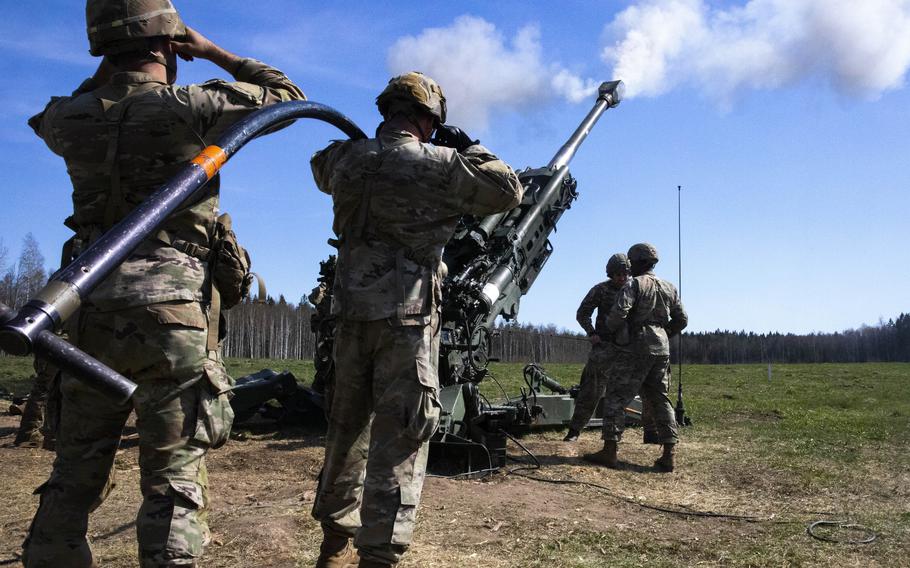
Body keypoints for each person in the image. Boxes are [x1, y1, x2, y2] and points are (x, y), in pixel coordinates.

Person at [22, 1, 305, 566]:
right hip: (172, 310)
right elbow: (290, 101)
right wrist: (215, 53)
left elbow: (54, 113)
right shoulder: (192, 106)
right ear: (168, 44)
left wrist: (112, 65)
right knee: (173, 483)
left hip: (84, 308)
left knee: (75, 470)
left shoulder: (69, 117)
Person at [310, 72, 523, 568]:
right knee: (401, 437)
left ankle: (333, 543)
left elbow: (319, 165)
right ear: (430, 119)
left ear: (386, 109)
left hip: (349, 320)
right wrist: (466, 146)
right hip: (406, 323)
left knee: (345, 432)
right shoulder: (442, 165)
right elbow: (508, 189)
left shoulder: (345, 159)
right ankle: (378, 555)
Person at [584, 243, 687, 472]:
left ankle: (609, 450)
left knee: (615, 396)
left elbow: (620, 312)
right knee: (660, 399)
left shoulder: (634, 284)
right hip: (662, 348)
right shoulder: (669, 287)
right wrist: (664, 333)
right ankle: (669, 454)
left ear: (635, 262)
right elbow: (682, 319)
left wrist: (611, 331)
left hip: (636, 347)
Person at [563, 253, 630, 442]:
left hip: (628, 349)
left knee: (620, 393)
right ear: (611, 273)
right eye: (618, 274)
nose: (622, 278)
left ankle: (613, 437)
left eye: (625, 274)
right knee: (590, 391)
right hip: (604, 348)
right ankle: (574, 431)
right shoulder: (600, 290)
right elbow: (582, 313)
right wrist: (591, 333)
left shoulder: (634, 290)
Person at [12, 357, 59, 450]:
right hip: (56, 351)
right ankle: (29, 435)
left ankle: (51, 437)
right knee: (43, 390)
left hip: (53, 351)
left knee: (54, 391)